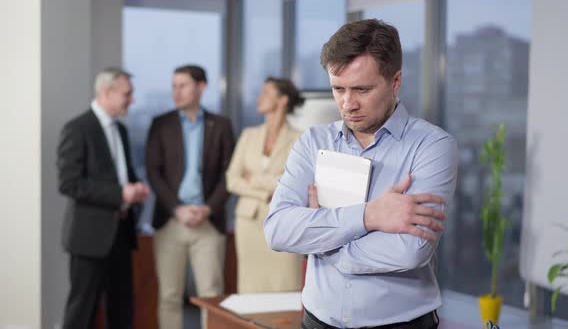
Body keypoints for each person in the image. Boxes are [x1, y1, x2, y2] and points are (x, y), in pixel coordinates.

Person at [264, 19, 459, 329]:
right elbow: (278, 230)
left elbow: (409, 252)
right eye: (337, 89)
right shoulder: (313, 142)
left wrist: (322, 241)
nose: (347, 103)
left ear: (395, 82)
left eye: (362, 89)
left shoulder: (433, 146)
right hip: (317, 322)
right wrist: (369, 216)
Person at [57, 67, 150, 329]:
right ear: (107, 93)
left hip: (121, 233)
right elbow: (69, 183)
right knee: (81, 310)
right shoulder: (77, 128)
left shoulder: (120, 130)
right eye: (127, 94)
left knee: (122, 309)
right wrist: (120, 193)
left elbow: (123, 174)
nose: (132, 100)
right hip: (89, 238)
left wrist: (136, 188)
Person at [146, 65, 235, 329]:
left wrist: (208, 208)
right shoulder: (160, 124)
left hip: (208, 221)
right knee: (169, 296)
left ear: (201, 87)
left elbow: (228, 173)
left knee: (211, 294)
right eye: (174, 86)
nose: (177, 91)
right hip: (171, 221)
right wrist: (177, 209)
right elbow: (153, 172)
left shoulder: (220, 125)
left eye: (183, 85)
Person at [226, 77, 304, 293]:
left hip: (283, 222)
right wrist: (265, 192)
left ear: (283, 100)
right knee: (251, 288)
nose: (260, 97)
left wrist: (255, 179)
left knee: (285, 285)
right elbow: (232, 179)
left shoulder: (300, 137)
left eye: (266, 93)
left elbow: (294, 182)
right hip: (248, 222)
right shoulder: (248, 135)